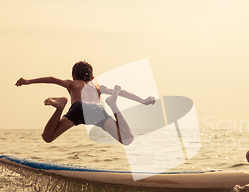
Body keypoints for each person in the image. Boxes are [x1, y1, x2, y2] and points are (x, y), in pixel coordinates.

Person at [15, 61, 155, 145]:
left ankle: (60, 107)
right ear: (92, 78)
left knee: (48, 137)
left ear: (73, 76)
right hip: (96, 112)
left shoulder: (72, 83)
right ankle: (113, 104)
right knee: (127, 139)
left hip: (78, 109)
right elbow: (123, 92)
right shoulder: (98, 87)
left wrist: (28, 81)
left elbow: (54, 79)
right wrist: (142, 101)